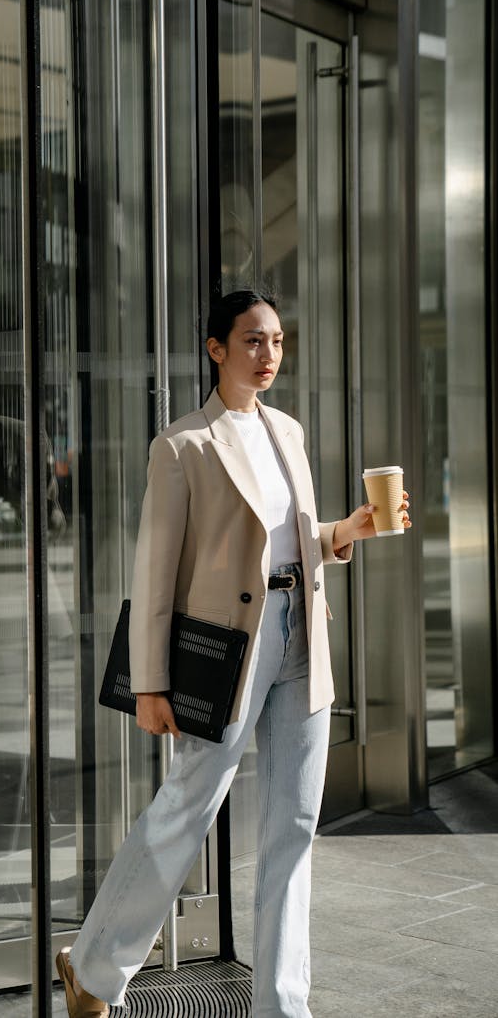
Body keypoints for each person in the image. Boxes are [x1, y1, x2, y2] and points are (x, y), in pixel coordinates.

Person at [56, 290, 411, 1018]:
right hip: (229, 652)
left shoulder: (290, 432)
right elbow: (155, 572)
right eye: (252, 340)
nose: (269, 353)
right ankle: (92, 964)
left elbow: (295, 540)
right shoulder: (183, 445)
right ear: (217, 348)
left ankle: (282, 1004)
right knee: (188, 806)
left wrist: (351, 530)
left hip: (303, 631)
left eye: (277, 340)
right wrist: (150, 682)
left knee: (294, 824)